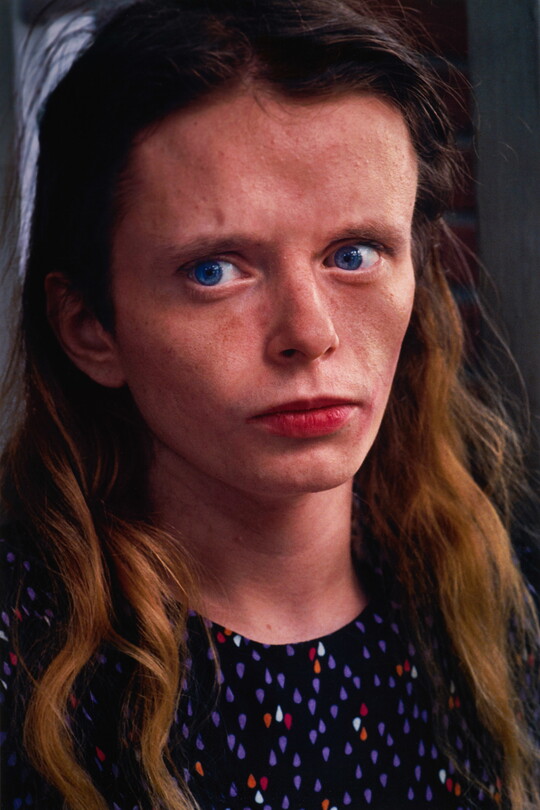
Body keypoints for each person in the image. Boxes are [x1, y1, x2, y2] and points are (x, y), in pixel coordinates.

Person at [1, 0, 539, 808]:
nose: (308, 334)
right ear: (90, 328)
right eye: (215, 270)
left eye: (354, 255)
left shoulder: (512, 602)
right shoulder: (19, 651)